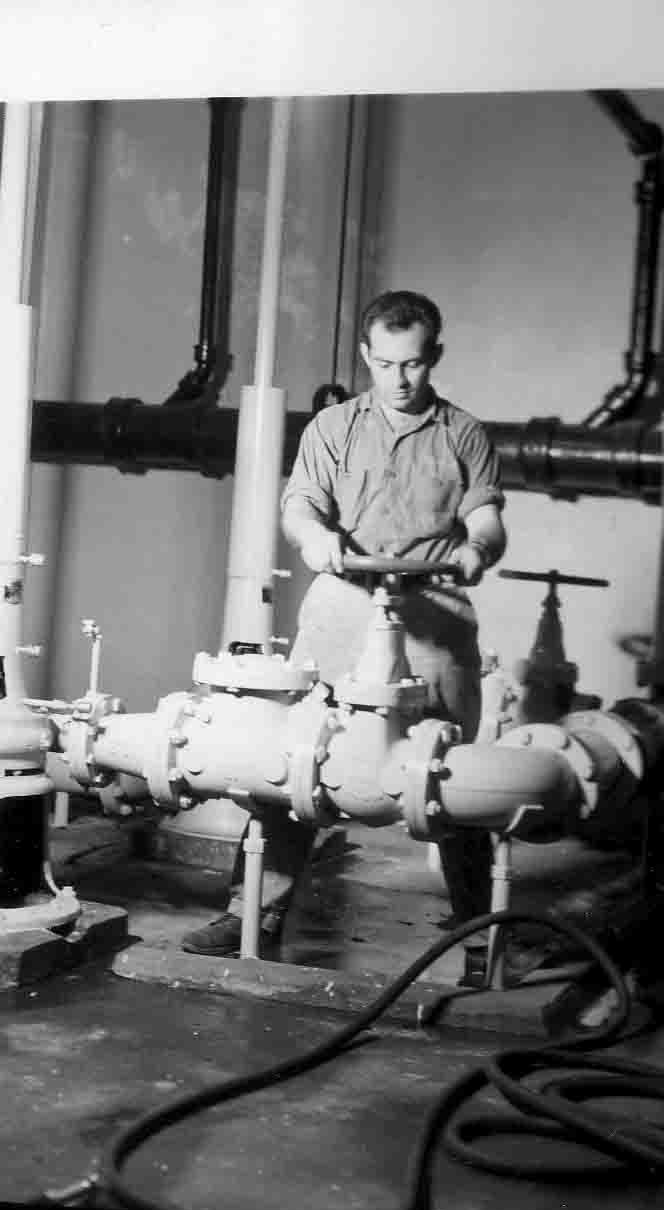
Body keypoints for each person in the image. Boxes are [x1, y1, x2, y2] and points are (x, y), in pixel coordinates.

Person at [181, 290, 507, 984]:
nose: (398, 379)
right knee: (292, 759)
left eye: (412, 364)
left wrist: (479, 547)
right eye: (384, 364)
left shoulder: (464, 434)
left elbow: (486, 516)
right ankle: (251, 913)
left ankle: (480, 938)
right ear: (365, 356)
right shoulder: (332, 427)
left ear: (435, 357)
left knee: (453, 777)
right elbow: (300, 504)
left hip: (435, 610)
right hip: (342, 607)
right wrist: (313, 538)